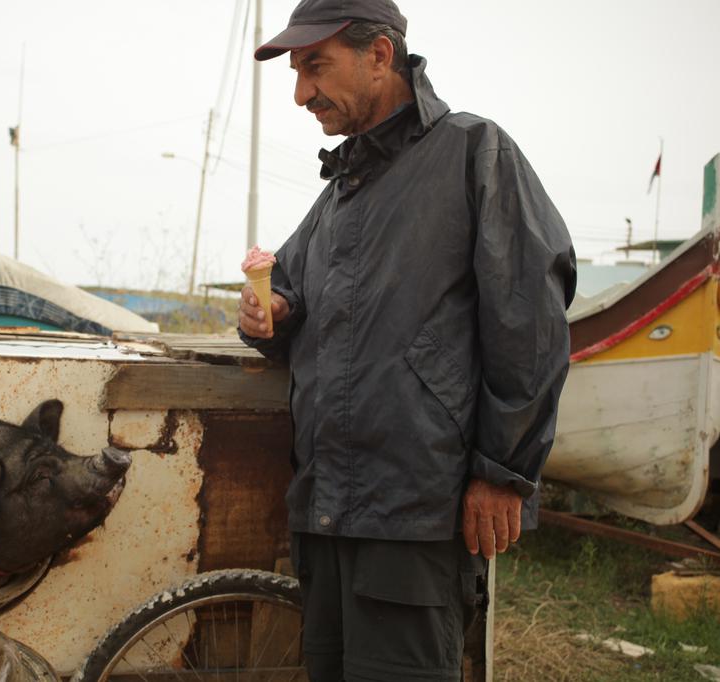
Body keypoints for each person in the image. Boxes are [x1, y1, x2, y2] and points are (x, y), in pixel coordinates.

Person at [237, 1, 577, 680]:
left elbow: (529, 317)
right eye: (297, 74)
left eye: (314, 67)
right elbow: (297, 298)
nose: (300, 93)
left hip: (416, 511)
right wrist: (269, 314)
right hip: (326, 508)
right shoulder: (339, 190)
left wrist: (501, 473)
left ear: (379, 56)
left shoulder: (472, 151)